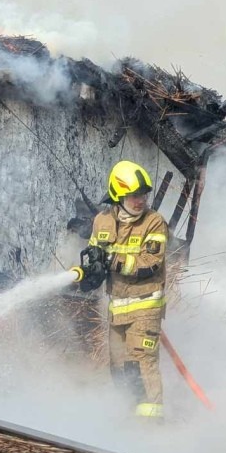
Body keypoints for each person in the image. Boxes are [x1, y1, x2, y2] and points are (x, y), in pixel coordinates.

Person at [70, 161, 168, 418]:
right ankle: (127, 421)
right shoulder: (102, 221)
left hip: (145, 306)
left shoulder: (154, 223)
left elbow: (150, 264)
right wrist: (88, 275)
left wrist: (112, 261)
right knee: (119, 369)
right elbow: (94, 258)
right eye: (134, 195)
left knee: (141, 364)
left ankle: (150, 427)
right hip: (117, 309)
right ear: (118, 195)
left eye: (144, 195)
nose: (140, 201)